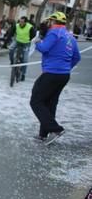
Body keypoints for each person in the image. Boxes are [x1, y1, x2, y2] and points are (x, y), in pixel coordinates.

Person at [30, 11, 81, 145]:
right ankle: (43, 135)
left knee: (36, 101)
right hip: (64, 75)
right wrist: (66, 68)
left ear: (53, 21)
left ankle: (56, 130)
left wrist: (37, 42)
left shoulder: (53, 32)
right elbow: (77, 57)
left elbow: (44, 48)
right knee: (50, 103)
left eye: (49, 21)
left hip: (51, 73)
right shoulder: (70, 36)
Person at [6, 16, 36, 81]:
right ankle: (12, 62)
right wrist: (6, 42)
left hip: (26, 43)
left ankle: (23, 74)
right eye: (20, 21)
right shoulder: (16, 26)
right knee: (11, 49)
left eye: (22, 22)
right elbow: (11, 33)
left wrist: (29, 39)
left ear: (25, 22)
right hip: (17, 41)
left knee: (25, 60)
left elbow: (34, 34)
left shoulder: (30, 27)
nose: (20, 23)